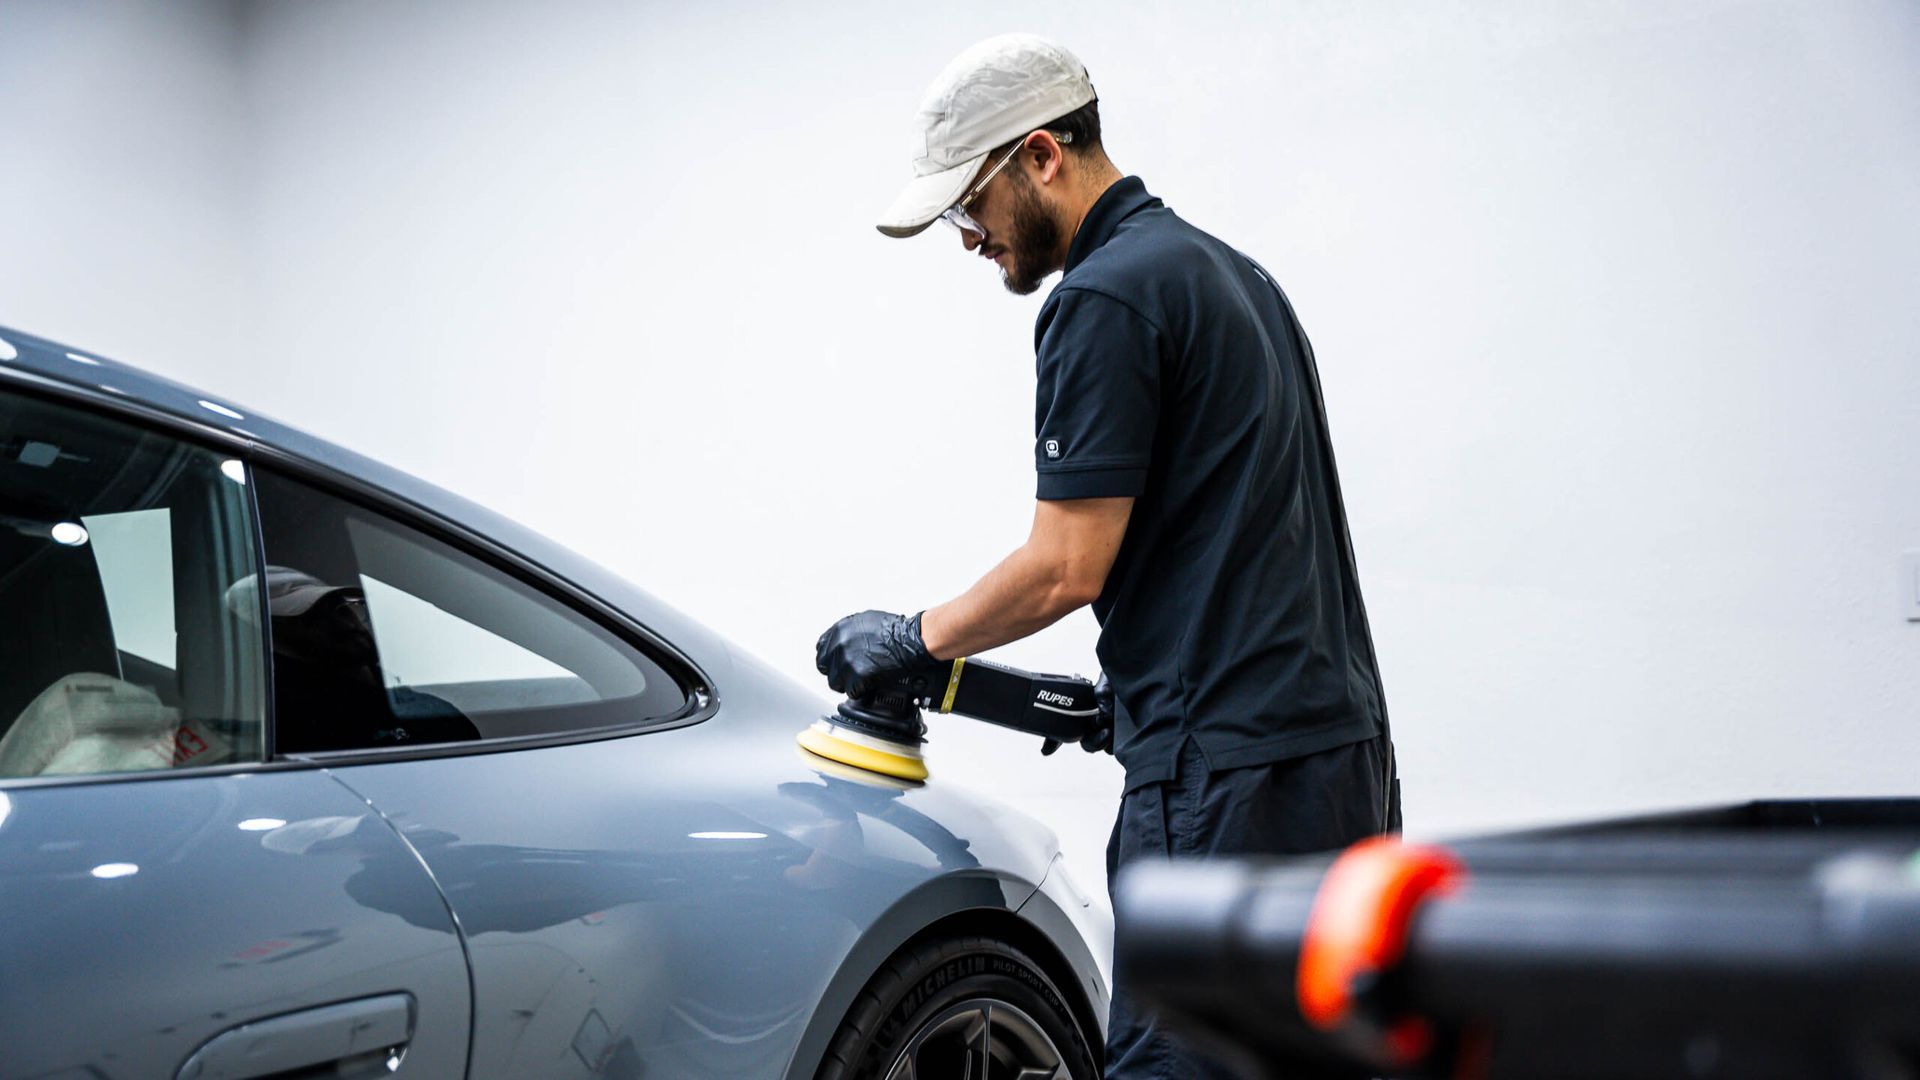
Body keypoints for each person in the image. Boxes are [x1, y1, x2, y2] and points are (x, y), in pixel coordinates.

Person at [815, 33, 1401, 1077]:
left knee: (1178, 1064)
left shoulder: (1103, 296)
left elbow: (1065, 564)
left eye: (969, 206)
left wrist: (913, 638)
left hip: (1220, 786)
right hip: (1336, 765)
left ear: (1042, 155)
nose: (967, 239)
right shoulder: (1239, 279)